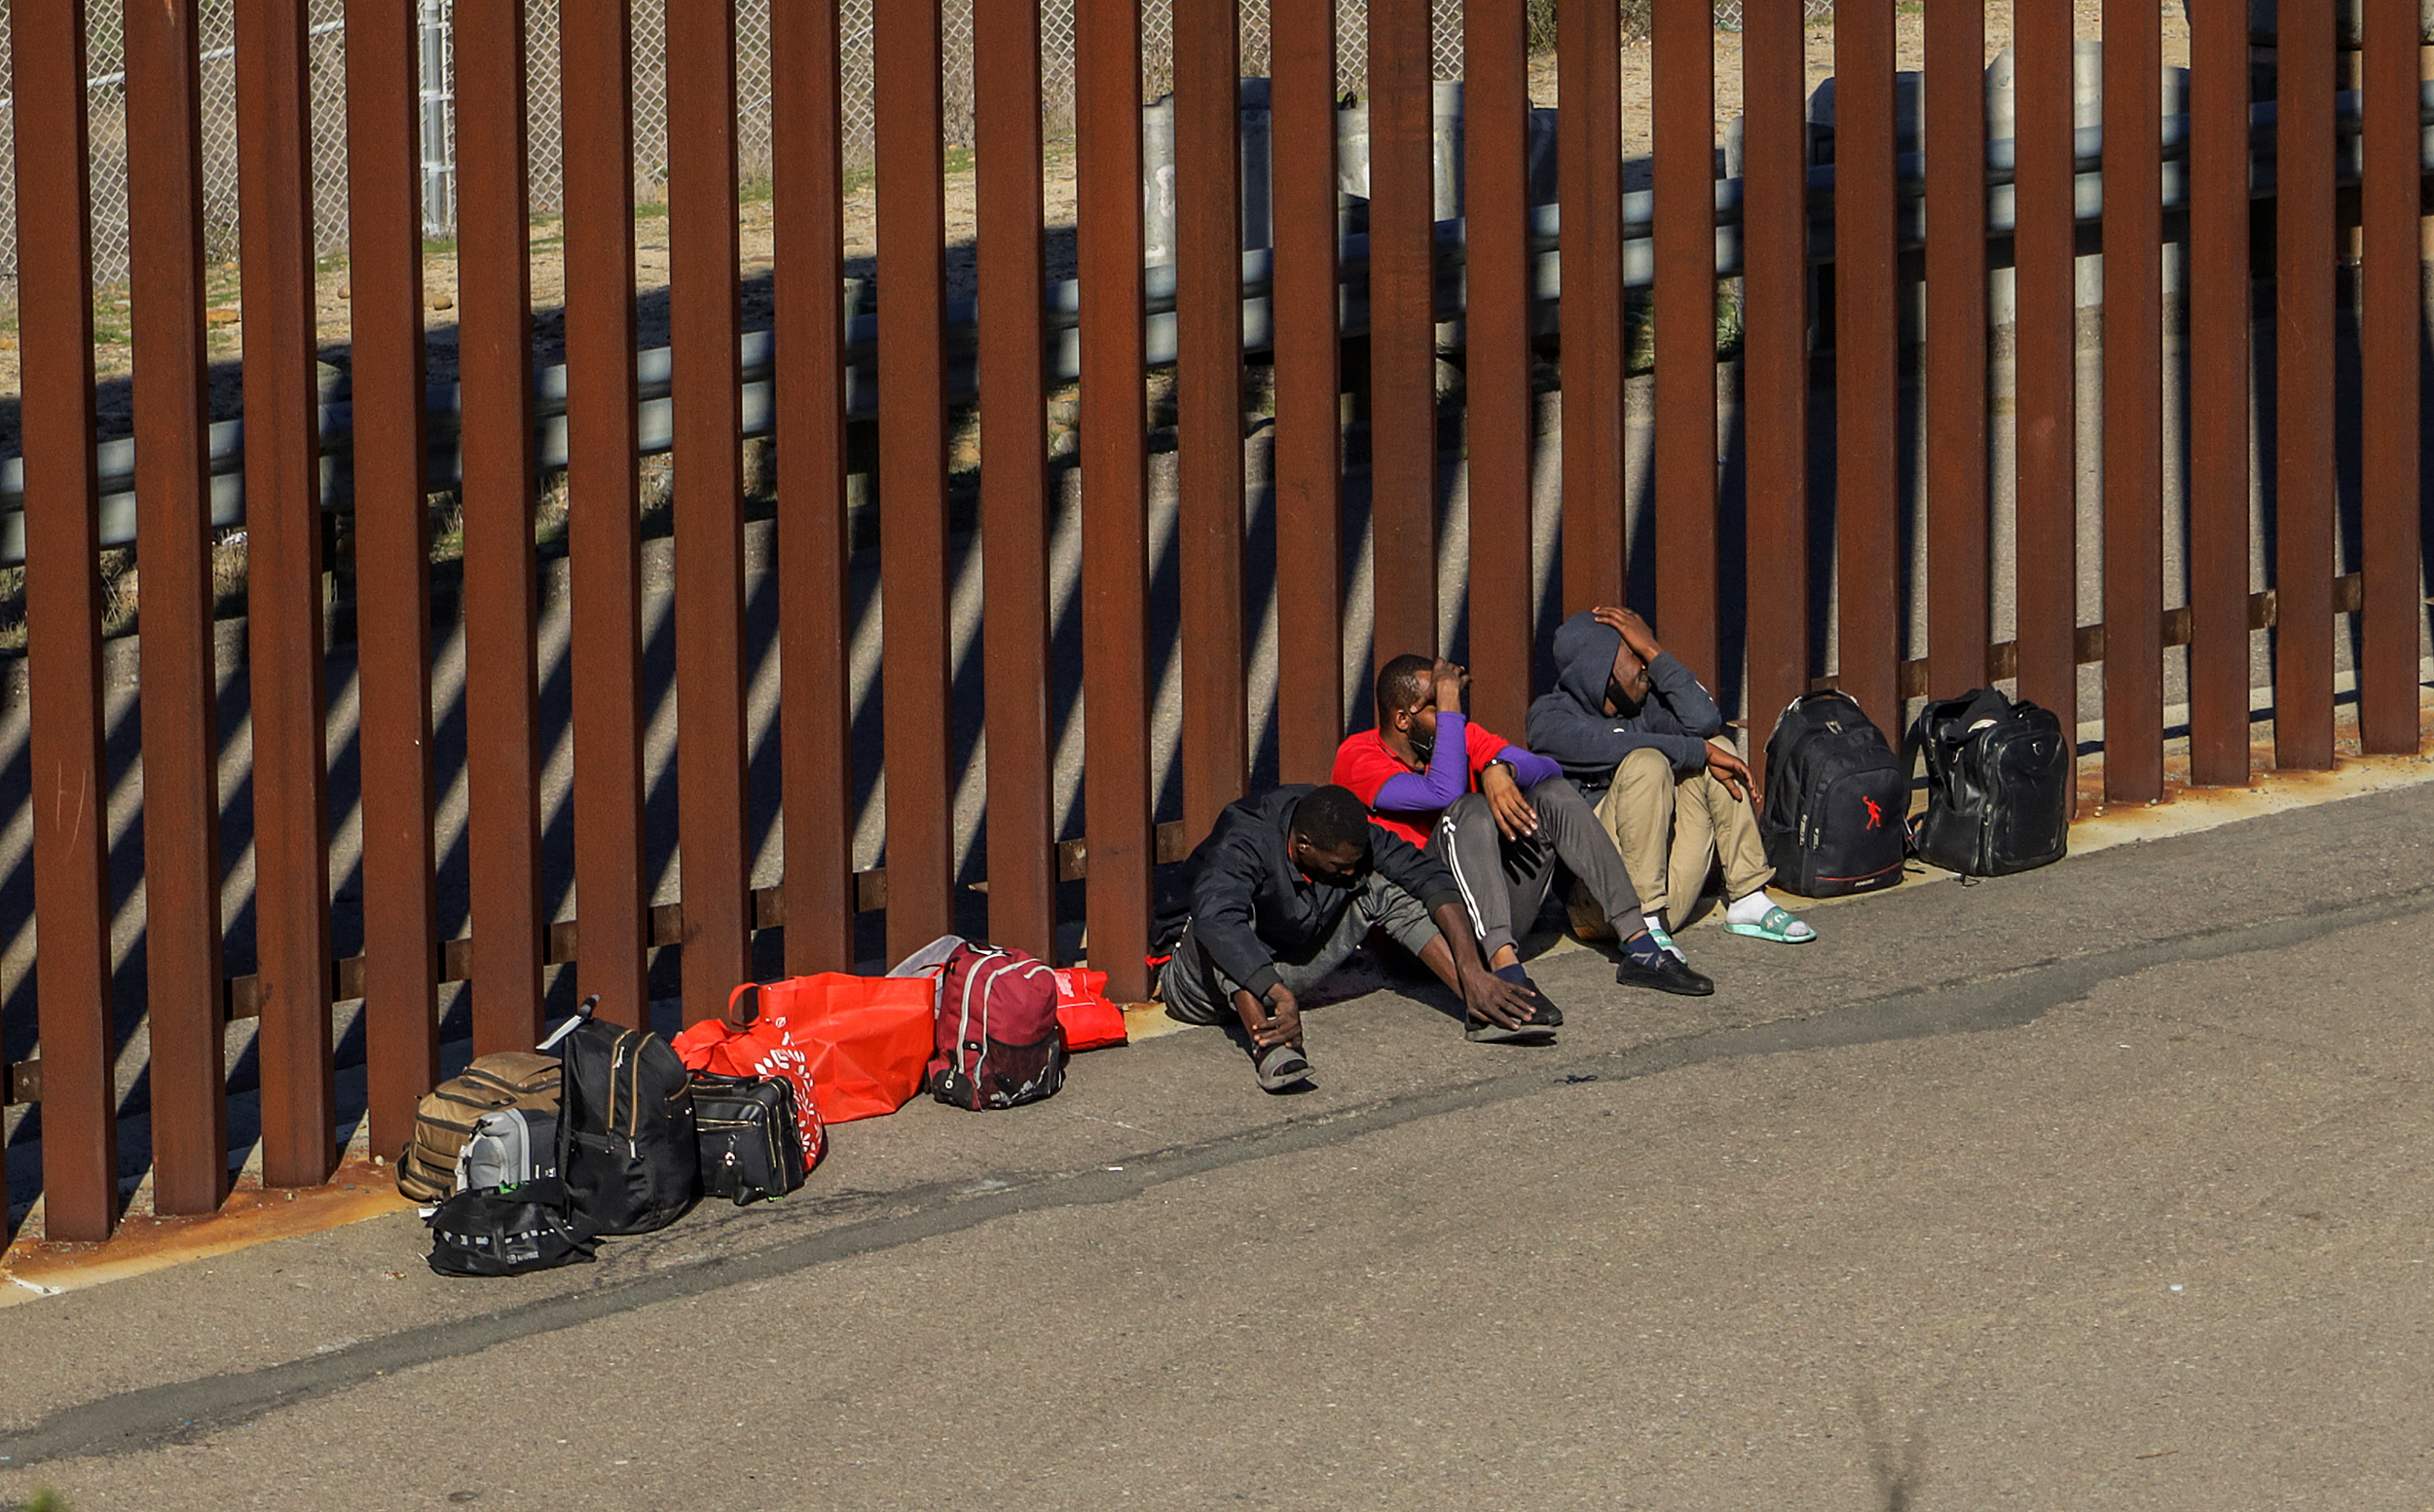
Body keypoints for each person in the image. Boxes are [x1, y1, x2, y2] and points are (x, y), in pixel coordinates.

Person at [1334, 653, 1715, 1001]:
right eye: (1440, 706)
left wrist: (1503, 769)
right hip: (1422, 941)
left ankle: (1640, 944)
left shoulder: (1452, 735)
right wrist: (1452, 705)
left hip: (1488, 917)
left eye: (1453, 705)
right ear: (1402, 719)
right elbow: (1443, 792)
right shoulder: (1357, 756)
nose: (1454, 717)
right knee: (1468, 809)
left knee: (1551, 793)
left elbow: (1549, 768)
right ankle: (1508, 972)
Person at [1160, 784, 1544, 1091]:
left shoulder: (1344, 831)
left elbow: (1430, 879)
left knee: (1381, 888)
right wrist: (1276, 992)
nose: (1347, 873)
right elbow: (1216, 920)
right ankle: (1272, 1047)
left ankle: (1479, 1006)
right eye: (1337, 866)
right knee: (1228, 921)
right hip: (1197, 984)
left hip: (1282, 969)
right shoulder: (1247, 839)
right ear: (1303, 845)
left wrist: (1472, 968)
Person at [1528, 606, 1817, 961]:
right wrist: (1696, 750)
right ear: (1598, 667)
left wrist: (1655, 651)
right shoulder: (1549, 718)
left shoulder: (1642, 705)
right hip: (1598, 906)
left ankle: (1748, 898)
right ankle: (1642, 925)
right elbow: (1616, 746)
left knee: (1720, 750)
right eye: (1633, 654)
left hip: (1669, 893)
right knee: (1647, 761)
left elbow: (1705, 720)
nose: (1644, 666)